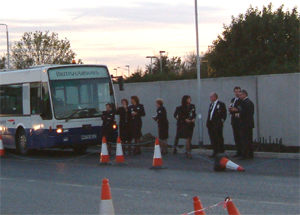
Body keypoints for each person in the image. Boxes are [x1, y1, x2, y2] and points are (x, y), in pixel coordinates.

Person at [206, 92, 227, 157]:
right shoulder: (211, 105)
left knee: (218, 137)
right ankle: (215, 151)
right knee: (213, 138)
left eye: (211, 97)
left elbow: (224, 113)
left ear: (215, 97)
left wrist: (221, 121)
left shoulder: (221, 104)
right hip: (211, 124)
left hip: (217, 124)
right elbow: (210, 114)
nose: (211, 98)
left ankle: (221, 151)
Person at [237, 89, 254, 159]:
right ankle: (249, 154)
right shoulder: (250, 102)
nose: (239, 96)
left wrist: (238, 113)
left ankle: (245, 154)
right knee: (249, 139)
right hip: (249, 124)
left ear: (244, 95)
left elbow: (245, 113)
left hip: (245, 124)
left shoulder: (245, 102)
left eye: (241, 95)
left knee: (245, 140)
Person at [228, 86, 242, 157]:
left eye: (238, 91)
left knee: (240, 136)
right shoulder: (233, 100)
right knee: (236, 136)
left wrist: (235, 109)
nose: (237, 93)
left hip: (239, 121)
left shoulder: (241, 100)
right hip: (233, 120)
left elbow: (238, 109)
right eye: (236, 92)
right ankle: (238, 151)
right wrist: (231, 109)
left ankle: (241, 152)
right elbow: (231, 108)